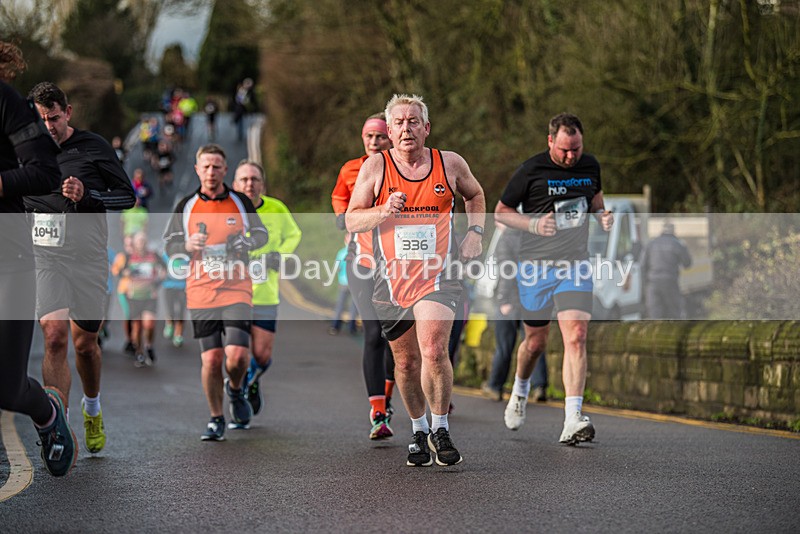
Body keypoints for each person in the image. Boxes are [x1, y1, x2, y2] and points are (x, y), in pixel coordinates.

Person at [346, 94, 485, 466]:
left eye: (413, 122)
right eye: (399, 123)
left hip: (438, 275)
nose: (406, 129)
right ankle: (419, 429)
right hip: (390, 280)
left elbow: (475, 194)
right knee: (406, 363)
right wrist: (380, 210)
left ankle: (441, 427)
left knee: (434, 348)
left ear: (426, 128)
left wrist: (475, 233)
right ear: (389, 131)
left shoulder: (449, 163)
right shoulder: (376, 168)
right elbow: (351, 218)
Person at [27, 81, 135, 455]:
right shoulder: (26, 153)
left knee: (85, 344)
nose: (49, 126)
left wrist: (88, 195)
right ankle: (58, 429)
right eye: (41, 120)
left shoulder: (93, 147)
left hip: (88, 260)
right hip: (46, 258)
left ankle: (92, 409)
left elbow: (127, 197)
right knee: (54, 336)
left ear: (67, 112)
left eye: (54, 118)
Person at [494, 112, 613, 445]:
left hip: (574, 265)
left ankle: (573, 417)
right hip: (535, 268)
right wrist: (533, 225)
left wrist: (602, 216)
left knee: (576, 335)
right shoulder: (531, 170)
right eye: (564, 150)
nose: (571, 156)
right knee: (535, 344)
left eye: (575, 149)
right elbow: (501, 211)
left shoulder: (590, 166)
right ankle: (519, 390)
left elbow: (595, 200)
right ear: (550, 142)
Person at [0, 40, 77, 476]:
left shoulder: (8, 104)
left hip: (8, 255)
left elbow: (45, 171)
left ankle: (48, 414)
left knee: (8, 388)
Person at [164, 144, 268, 440]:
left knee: (236, 357)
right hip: (200, 291)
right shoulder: (185, 205)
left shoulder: (240, 201)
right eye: (205, 166)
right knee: (211, 360)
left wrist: (245, 242)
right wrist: (185, 246)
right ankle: (216, 417)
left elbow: (261, 234)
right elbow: (169, 243)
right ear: (197, 169)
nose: (211, 172)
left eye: (216, 166)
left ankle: (235, 389)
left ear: (225, 170)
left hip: (236, 288)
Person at [331, 113, 396, 440]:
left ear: (391, 138)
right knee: (373, 333)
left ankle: (387, 396)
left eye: (380, 137)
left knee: (396, 337)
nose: (374, 142)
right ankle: (378, 411)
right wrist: (346, 221)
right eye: (369, 136)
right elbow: (340, 208)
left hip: (398, 266)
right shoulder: (350, 170)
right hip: (362, 261)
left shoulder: (405, 170)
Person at [231, 160, 301, 421]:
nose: (250, 184)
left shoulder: (276, 208)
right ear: (235, 184)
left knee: (261, 355)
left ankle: (251, 379)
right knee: (236, 354)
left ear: (262, 183)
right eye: (244, 179)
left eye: (254, 179)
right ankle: (236, 393)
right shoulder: (228, 209)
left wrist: (279, 255)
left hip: (265, 294)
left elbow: (294, 234)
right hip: (233, 294)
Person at [482, 223, 548, 402]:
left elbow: (506, 271)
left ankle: (495, 386)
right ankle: (539, 386)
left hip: (511, 300)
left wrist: (504, 299)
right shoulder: (534, 236)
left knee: (504, 346)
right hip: (533, 299)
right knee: (533, 343)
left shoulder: (507, 239)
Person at [120, 232, 166, 366]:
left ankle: (149, 346)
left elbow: (164, 268)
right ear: (134, 243)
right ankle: (139, 352)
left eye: (144, 241)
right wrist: (127, 273)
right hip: (134, 296)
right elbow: (121, 272)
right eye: (139, 241)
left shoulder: (153, 255)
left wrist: (158, 282)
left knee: (149, 324)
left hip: (150, 296)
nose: (142, 243)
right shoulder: (129, 257)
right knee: (137, 327)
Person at [641, 221, 692, 319]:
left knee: (654, 315)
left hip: (653, 284)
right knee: (674, 313)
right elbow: (687, 263)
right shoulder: (677, 244)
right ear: (673, 231)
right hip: (670, 283)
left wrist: (646, 283)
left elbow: (643, 265)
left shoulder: (651, 244)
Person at [328, 237, 359, 336]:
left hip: (343, 282)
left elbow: (337, 268)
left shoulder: (341, 253)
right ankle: (352, 328)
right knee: (354, 306)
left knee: (340, 304)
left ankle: (335, 326)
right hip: (355, 283)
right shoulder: (359, 254)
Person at [162, 251, 188, 348]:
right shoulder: (165, 255)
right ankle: (169, 324)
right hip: (169, 286)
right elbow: (160, 267)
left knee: (181, 311)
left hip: (183, 287)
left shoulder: (187, 256)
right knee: (170, 309)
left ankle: (179, 334)